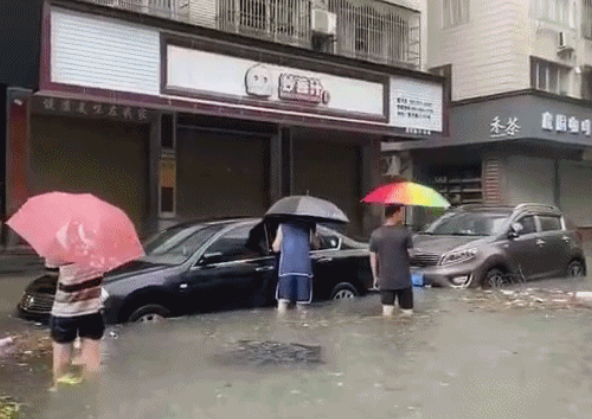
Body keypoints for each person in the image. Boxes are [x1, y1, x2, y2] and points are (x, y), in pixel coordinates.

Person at [369, 205, 414, 318]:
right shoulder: (405, 232)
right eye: (401, 213)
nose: (403, 216)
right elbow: (412, 255)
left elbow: (373, 258)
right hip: (404, 281)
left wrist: (375, 277)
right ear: (395, 214)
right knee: (407, 315)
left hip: (386, 281)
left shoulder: (376, 234)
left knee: (387, 314)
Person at [272, 219, 317, 315]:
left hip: (286, 269)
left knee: (283, 304)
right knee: (302, 306)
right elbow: (316, 245)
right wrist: (315, 234)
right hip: (304, 270)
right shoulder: (308, 226)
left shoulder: (282, 225)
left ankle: (280, 327)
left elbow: (276, 248)